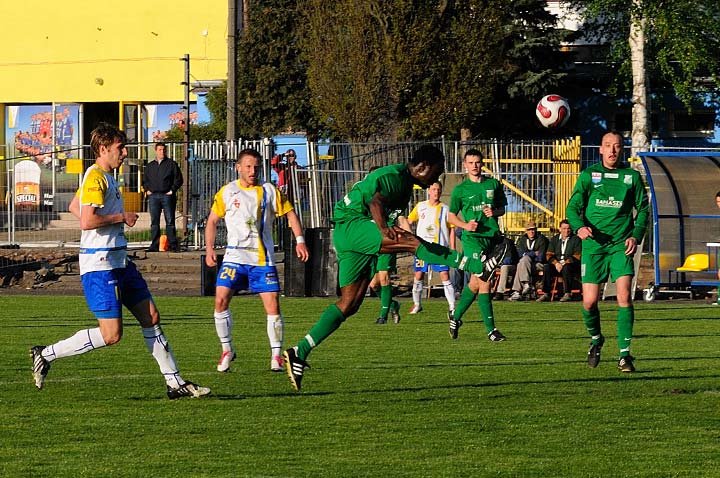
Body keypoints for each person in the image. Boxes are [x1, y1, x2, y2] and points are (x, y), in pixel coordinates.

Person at [282, 145, 505, 391]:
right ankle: (475, 265)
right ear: (424, 167)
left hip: (350, 235)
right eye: (437, 172)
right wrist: (383, 227)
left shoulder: (406, 185)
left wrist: (391, 229)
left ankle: (299, 352)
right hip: (353, 225)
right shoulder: (396, 176)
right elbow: (374, 200)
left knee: (350, 303)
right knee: (411, 242)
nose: (437, 179)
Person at [30, 123, 210, 400]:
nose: (124, 153)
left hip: (119, 261)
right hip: (100, 265)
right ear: (103, 149)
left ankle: (176, 384)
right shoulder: (95, 178)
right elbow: (88, 220)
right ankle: (45, 354)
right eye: (119, 148)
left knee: (151, 316)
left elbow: (75, 207)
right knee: (112, 335)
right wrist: (120, 217)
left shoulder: (106, 177)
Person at [205, 148, 309, 373]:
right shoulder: (227, 192)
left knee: (272, 305)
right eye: (248, 167)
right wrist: (210, 249)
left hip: (262, 259)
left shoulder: (269, 191)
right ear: (238, 167)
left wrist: (299, 240)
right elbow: (212, 221)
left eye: (256, 167)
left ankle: (276, 356)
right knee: (220, 300)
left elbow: (290, 214)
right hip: (234, 257)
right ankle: (227, 349)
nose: (253, 171)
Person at [566, 130, 649, 373]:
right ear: (600, 149)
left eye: (617, 146)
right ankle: (596, 339)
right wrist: (579, 227)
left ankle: (625, 355)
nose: (612, 150)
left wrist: (635, 235)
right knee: (589, 302)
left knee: (624, 296)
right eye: (607, 145)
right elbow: (573, 208)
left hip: (620, 246)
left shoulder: (631, 177)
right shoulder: (589, 175)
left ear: (622, 149)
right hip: (593, 246)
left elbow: (643, 209)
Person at [447, 149, 509, 342]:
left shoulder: (493, 184)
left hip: (490, 238)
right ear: (465, 165)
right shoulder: (460, 190)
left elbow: (502, 208)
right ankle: (491, 330)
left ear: (482, 164)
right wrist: (465, 225)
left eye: (478, 162)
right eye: (471, 162)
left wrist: (495, 212)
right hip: (472, 239)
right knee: (485, 280)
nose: (474, 166)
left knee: (474, 283)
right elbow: (451, 217)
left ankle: (455, 317)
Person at [405, 181, 456, 317]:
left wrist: (452, 248)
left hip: (439, 250)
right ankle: (417, 304)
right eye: (433, 189)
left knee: (444, 275)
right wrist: (411, 239)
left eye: (438, 190)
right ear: (428, 191)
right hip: (422, 249)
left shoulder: (445, 209)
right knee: (419, 274)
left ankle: (452, 306)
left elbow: (451, 229)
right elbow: (408, 221)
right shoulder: (420, 206)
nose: (436, 192)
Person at [142, 142, 183, 252]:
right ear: (156, 151)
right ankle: (154, 245)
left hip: (167, 196)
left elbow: (179, 179)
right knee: (154, 222)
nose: (162, 152)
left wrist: (172, 190)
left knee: (170, 221)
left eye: (164, 150)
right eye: (160, 149)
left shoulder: (171, 164)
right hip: (153, 197)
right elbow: (145, 180)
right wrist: (147, 190)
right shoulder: (150, 166)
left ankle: (173, 245)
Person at [536, 219, 582, 302]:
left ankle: (567, 293)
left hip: (571, 265)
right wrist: (556, 263)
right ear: (560, 229)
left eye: (568, 228)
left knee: (567, 268)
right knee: (547, 267)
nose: (566, 230)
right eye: (564, 228)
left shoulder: (576, 239)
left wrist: (564, 263)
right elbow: (549, 254)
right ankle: (546, 294)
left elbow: (577, 256)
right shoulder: (555, 239)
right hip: (557, 265)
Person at [507, 221, 549, 301]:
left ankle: (518, 291)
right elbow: (519, 254)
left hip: (539, 264)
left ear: (536, 230)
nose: (531, 232)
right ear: (526, 231)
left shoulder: (542, 239)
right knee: (522, 262)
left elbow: (541, 257)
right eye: (529, 230)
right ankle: (525, 285)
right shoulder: (522, 239)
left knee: (523, 262)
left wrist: (527, 255)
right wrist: (533, 253)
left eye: (533, 229)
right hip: (526, 264)